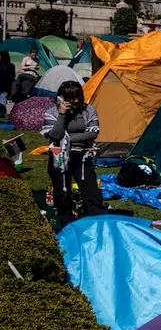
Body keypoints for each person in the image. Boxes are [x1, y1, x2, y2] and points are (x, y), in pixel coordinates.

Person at [40, 82, 107, 229]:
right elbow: (54, 135)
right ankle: (66, 222)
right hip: (59, 156)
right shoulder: (52, 112)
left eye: (78, 96)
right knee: (62, 189)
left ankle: (96, 219)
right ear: (62, 98)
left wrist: (68, 139)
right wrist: (62, 115)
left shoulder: (89, 110)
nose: (76, 100)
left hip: (82, 155)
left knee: (90, 189)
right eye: (71, 98)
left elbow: (92, 132)